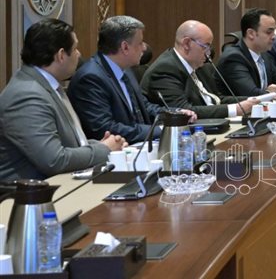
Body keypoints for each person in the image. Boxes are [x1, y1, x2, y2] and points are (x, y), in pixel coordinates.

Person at [0, 19, 125, 180]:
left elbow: (67, 143)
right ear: (60, 55)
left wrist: (99, 145)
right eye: (75, 49)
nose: (79, 54)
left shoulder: (46, 84)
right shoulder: (27, 95)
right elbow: (54, 160)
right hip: (35, 191)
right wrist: (104, 150)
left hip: (64, 184)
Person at [68, 15, 196, 142]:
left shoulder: (125, 69)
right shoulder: (90, 78)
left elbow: (144, 107)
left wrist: (175, 114)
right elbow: (105, 128)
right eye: (140, 43)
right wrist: (161, 130)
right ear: (125, 47)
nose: (144, 48)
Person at [142, 21, 258, 119]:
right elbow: (183, 111)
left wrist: (252, 101)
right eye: (205, 46)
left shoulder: (199, 65)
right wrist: (235, 109)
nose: (209, 53)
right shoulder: (165, 69)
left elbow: (216, 99)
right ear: (186, 43)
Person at [216, 8, 276, 97]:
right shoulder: (233, 58)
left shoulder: (264, 55)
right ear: (251, 34)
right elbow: (250, 94)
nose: (274, 37)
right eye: (269, 32)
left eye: (274, 31)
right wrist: (272, 94)